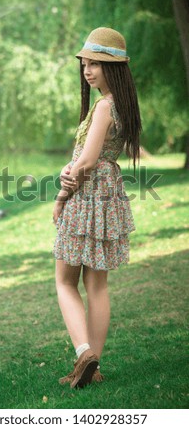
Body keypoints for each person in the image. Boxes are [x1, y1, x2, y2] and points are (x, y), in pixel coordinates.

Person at [52, 27, 142, 389]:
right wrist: (70, 166)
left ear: (114, 68)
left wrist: (61, 196)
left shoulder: (104, 105)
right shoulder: (120, 103)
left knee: (64, 281)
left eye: (96, 65)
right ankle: (95, 366)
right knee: (97, 284)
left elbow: (87, 161)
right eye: (85, 64)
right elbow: (90, 158)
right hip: (107, 194)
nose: (88, 71)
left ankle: (84, 353)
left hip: (88, 194)